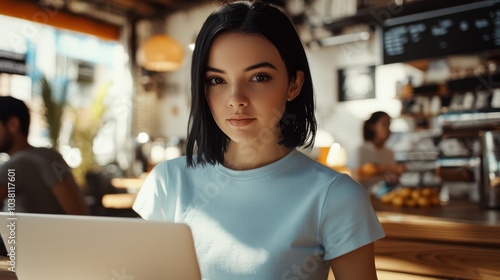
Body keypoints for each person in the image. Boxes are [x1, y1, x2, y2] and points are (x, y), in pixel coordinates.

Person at [133, 1, 385, 279]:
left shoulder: (335, 196)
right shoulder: (168, 183)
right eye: (217, 80)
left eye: (259, 77)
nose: (236, 100)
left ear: (293, 85)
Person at [0, 96, 88, 215]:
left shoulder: (15, 166)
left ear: (13, 125)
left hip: (26, 233)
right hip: (67, 232)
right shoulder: (50, 155)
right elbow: (79, 213)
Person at [356, 111, 406, 189]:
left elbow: (392, 179)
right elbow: (356, 178)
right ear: (372, 126)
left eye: (389, 125)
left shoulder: (389, 152)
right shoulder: (361, 150)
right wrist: (386, 168)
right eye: (384, 124)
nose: (388, 129)